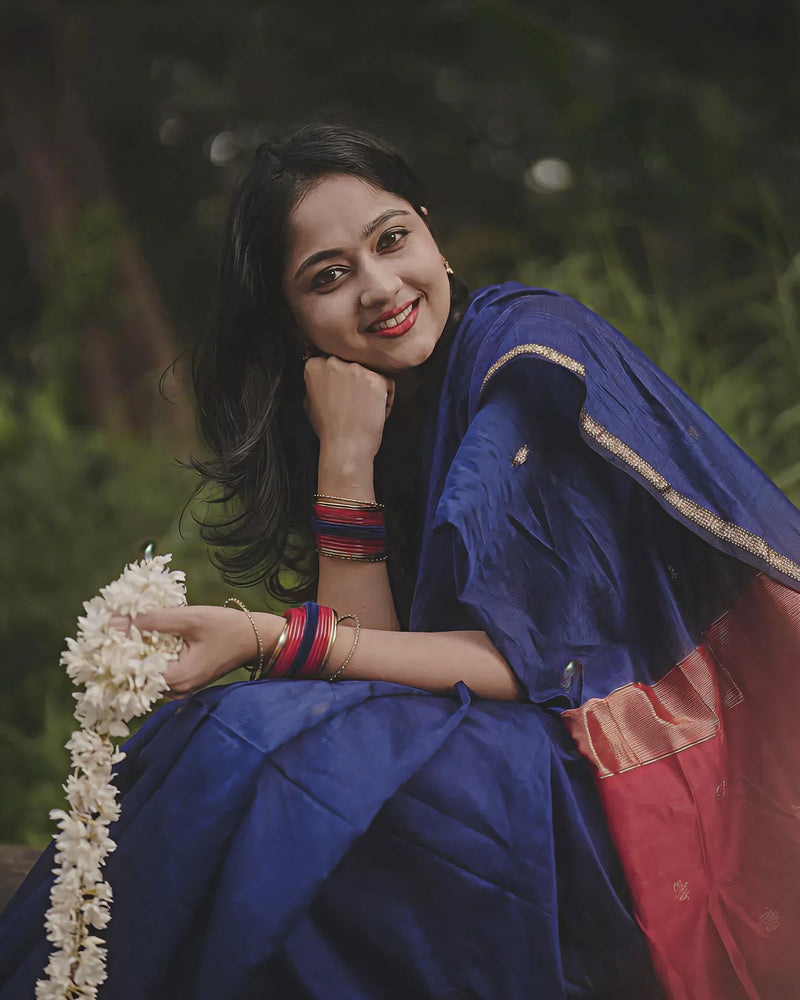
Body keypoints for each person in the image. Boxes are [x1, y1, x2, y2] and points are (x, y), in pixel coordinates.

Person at [2, 124, 799, 1000]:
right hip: (510, 756)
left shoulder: (525, 357)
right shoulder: (371, 404)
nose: (380, 287)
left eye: (391, 239)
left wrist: (269, 637)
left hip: (634, 775)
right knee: (229, 741)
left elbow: (526, 663)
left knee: (259, 749)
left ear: (431, 232)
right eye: (329, 276)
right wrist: (345, 456)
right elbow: (367, 685)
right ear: (292, 321)